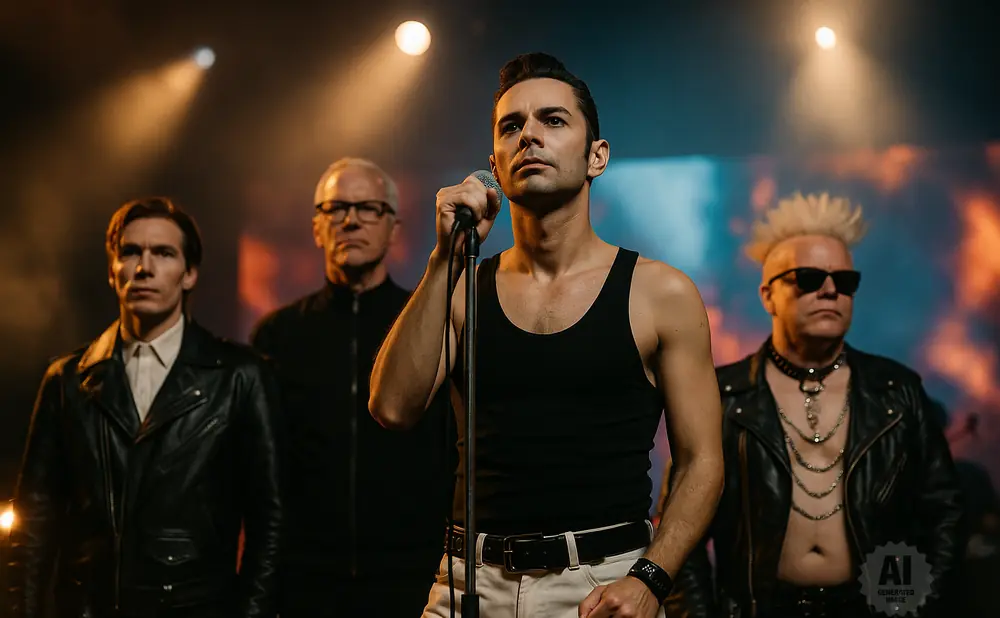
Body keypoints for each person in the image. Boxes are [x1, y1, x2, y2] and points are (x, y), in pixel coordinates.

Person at [369, 52, 725, 618]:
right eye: (512, 126)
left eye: (553, 121)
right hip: (467, 583)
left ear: (596, 157)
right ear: (494, 162)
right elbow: (391, 407)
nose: (528, 135)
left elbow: (702, 460)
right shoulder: (463, 286)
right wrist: (443, 259)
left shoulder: (659, 293)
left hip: (601, 583)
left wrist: (651, 579)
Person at [663, 193, 965, 618]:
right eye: (807, 278)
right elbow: (682, 534)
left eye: (845, 281)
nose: (829, 290)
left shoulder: (896, 391)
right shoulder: (724, 396)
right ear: (768, 296)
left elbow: (942, 513)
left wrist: (909, 606)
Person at [6, 197, 283, 618]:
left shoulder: (240, 377)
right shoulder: (67, 380)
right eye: (130, 251)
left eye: (163, 253)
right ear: (112, 270)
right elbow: (34, 520)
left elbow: (271, 522)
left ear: (189, 274)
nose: (144, 267)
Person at [250, 158, 454, 617]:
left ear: (394, 227)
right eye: (337, 207)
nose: (352, 219)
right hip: (307, 579)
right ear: (317, 227)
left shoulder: (428, 324)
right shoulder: (277, 335)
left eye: (368, 208)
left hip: (414, 577)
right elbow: (260, 468)